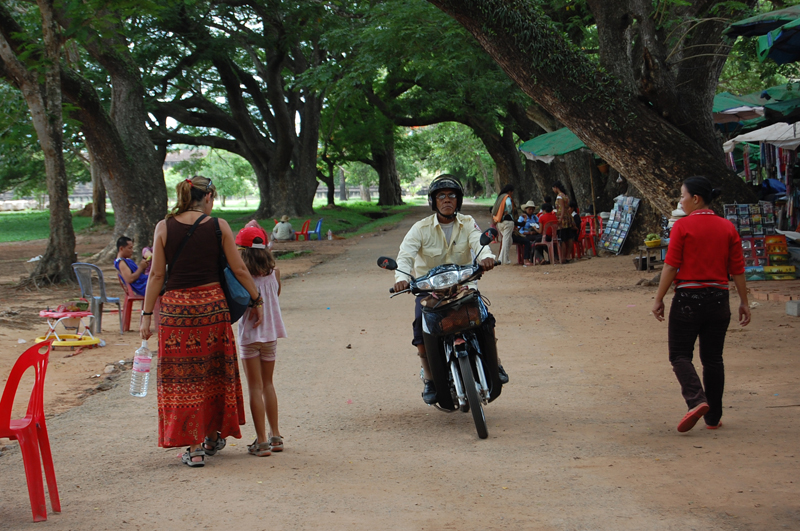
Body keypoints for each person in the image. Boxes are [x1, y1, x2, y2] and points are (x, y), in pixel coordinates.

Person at [140, 175, 264, 468]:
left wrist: (146, 315)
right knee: (213, 374)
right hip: (212, 310)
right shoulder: (219, 226)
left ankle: (195, 448)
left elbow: (157, 275)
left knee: (183, 378)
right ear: (207, 197)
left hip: (176, 313)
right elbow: (239, 269)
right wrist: (256, 299)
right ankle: (210, 436)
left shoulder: (163, 226)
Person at [394, 174, 506, 404]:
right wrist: (402, 278)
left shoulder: (468, 223)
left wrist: (486, 258)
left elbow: (479, 243)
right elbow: (405, 256)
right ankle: (430, 378)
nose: (447, 200)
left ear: (458, 200)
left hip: (463, 285)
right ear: (433, 201)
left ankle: (495, 363)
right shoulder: (420, 228)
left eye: (452, 195)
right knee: (420, 326)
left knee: (485, 319)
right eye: (441, 196)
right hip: (429, 291)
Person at [652, 176, 750, 433]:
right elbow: (737, 269)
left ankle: (696, 400)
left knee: (679, 355)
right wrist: (744, 302)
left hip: (688, 299)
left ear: (695, 199)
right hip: (719, 299)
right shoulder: (727, 227)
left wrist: (659, 298)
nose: (680, 201)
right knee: (713, 358)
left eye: (682, 196)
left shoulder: (683, 227)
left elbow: (671, 266)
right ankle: (713, 417)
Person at [235, 223, 287, 457]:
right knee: (268, 384)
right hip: (270, 336)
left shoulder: (241, 276)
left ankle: (262, 441)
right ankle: (276, 435)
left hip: (249, 336)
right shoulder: (275, 273)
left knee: (254, 387)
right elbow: (276, 294)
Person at [492, 184, 516, 265]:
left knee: (509, 240)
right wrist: (508, 212)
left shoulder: (500, 198)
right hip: (508, 221)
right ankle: (505, 259)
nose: (512, 194)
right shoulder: (507, 197)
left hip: (499, 222)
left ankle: (500, 258)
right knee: (506, 241)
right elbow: (509, 205)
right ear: (510, 191)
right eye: (512, 192)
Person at [553, 181, 576, 262]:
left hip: (562, 218)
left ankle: (563, 257)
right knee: (569, 237)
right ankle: (568, 255)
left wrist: (560, 218)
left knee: (562, 238)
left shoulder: (559, 197)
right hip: (568, 217)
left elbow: (562, 208)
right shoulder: (565, 196)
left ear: (556, 188)